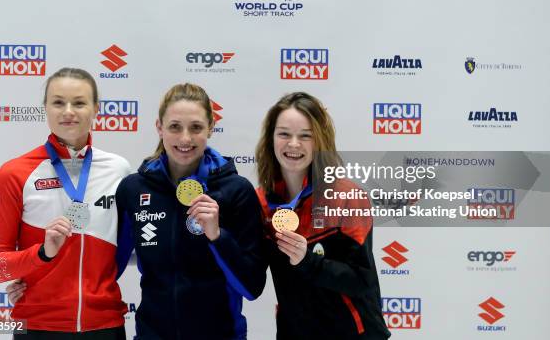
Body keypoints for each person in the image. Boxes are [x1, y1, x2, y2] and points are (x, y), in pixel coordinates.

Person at [114, 83, 267, 340]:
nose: (185, 138)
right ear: (159, 128)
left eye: (196, 127)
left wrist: (218, 236)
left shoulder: (236, 191)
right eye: (175, 127)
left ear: (210, 127)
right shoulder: (133, 189)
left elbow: (251, 288)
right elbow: (106, 269)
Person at [0, 68, 130, 339]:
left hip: (105, 325)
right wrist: (41, 255)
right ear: (45, 108)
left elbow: (128, 244)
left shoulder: (119, 170)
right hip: (38, 326)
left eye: (79, 102)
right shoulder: (14, 173)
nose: (68, 111)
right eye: (58, 102)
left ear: (96, 109)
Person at [255, 92, 391, 340]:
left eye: (305, 136)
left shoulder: (347, 197)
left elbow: (362, 280)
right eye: (284, 134)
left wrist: (308, 261)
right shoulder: (262, 203)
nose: (293, 144)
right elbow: (251, 278)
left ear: (319, 140)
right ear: (270, 139)